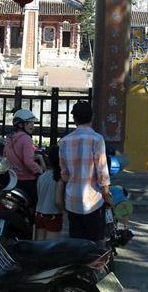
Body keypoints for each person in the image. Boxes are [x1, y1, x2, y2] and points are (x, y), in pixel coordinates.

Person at [59, 101, 113, 242]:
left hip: (72, 202)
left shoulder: (64, 141)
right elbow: (102, 172)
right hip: (93, 202)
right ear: (92, 117)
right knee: (93, 245)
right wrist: (107, 196)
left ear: (74, 119)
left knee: (76, 244)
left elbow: (64, 174)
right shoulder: (97, 139)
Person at [4, 108, 44, 210]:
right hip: (27, 181)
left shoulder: (9, 139)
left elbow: (5, 158)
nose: (32, 126)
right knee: (34, 206)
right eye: (29, 123)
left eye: (33, 123)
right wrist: (40, 171)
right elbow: (28, 162)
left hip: (12, 180)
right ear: (20, 125)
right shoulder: (26, 138)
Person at [34, 144, 65, 240]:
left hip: (39, 215)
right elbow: (58, 201)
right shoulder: (60, 179)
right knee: (51, 246)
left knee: (39, 245)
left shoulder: (41, 177)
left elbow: (39, 196)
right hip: (53, 215)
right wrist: (63, 211)